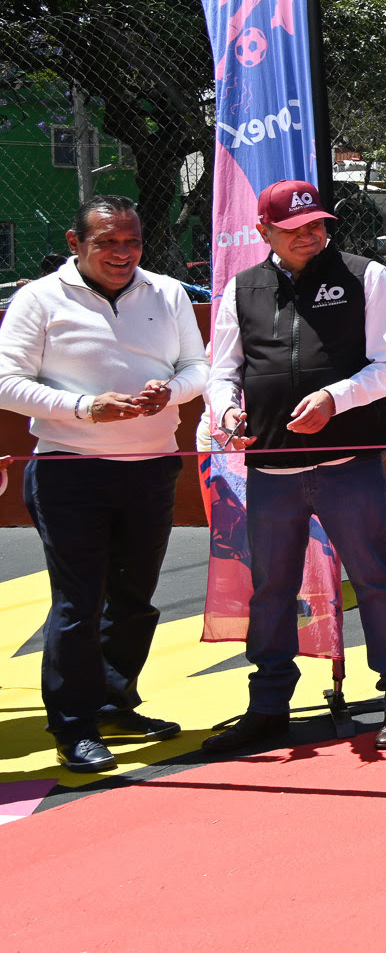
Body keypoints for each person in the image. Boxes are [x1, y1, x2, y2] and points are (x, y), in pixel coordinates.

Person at [202, 180, 386, 755]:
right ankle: (269, 705)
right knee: (271, 588)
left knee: (375, 576)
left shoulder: (366, 275)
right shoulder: (239, 288)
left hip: (349, 461)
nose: (310, 235)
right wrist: (225, 409)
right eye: (295, 228)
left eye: (318, 224)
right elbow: (222, 370)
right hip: (271, 466)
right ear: (263, 232)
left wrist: (335, 399)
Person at [0, 196, 206, 772]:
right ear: (75, 242)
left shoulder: (167, 292)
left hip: (152, 467)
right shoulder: (37, 298)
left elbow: (200, 366)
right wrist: (86, 408)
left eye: (132, 241)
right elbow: (5, 382)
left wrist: (174, 391)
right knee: (78, 604)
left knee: (135, 602)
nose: (122, 253)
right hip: (70, 469)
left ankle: (115, 701)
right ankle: (72, 725)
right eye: (107, 242)